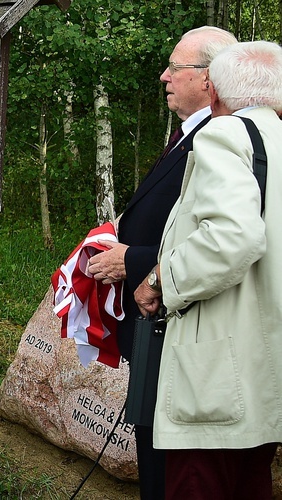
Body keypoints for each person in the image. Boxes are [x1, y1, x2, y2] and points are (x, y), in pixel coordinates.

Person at [86, 26, 237, 499]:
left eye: (175, 67)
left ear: (208, 79)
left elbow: (220, 242)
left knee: (168, 450)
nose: (164, 76)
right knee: (152, 438)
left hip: (177, 316)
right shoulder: (190, 132)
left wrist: (134, 260)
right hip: (155, 315)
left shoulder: (221, 140)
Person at [134, 40, 282, 499]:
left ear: (214, 94)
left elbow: (233, 237)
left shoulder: (224, 134)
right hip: (265, 364)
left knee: (199, 482)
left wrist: (161, 279)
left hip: (219, 373)